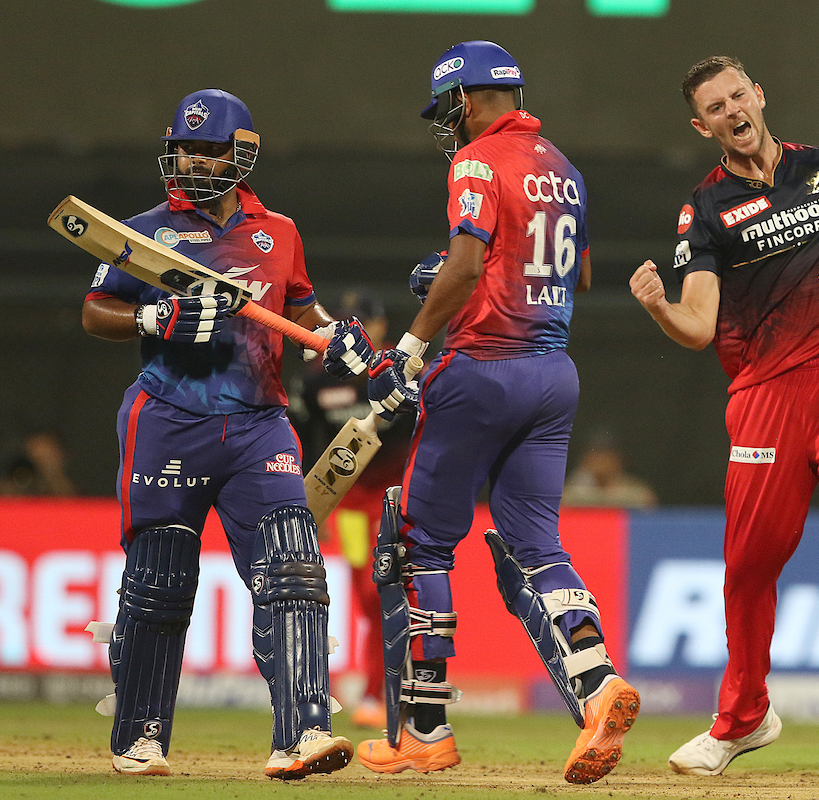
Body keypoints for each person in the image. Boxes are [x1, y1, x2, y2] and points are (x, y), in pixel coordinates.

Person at [356, 41, 639, 785]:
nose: (448, 126)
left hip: (482, 369)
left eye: (449, 110)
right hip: (554, 374)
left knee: (418, 543)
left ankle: (425, 729)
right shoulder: (564, 169)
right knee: (536, 548)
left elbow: (473, 260)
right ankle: (598, 684)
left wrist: (414, 344)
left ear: (469, 100)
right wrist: (455, 270)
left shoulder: (475, 161)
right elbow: (575, 270)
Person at [81, 88, 375, 779]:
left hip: (258, 425)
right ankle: (140, 735)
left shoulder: (280, 232)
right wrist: (152, 321)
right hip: (167, 421)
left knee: (295, 572)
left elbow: (301, 311)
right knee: (160, 584)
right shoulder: (142, 231)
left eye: (209, 148)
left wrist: (333, 336)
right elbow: (97, 311)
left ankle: (302, 732)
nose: (193, 159)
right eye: (185, 147)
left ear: (241, 155)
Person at [630, 56, 819, 782]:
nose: (731, 111)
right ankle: (745, 717)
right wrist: (660, 306)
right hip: (764, 397)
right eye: (714, 108)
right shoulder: (706, 209)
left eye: (736, 95)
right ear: (703, 126)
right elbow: (697, 327)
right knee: (749, 567)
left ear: (759, 94)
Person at [288, 290, 413, 729]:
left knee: (384, 591)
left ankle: (382, 692)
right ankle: (382, 682)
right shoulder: (315, 380)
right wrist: (312, 506)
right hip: (352, 506)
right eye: (347, 320)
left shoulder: (397, 372)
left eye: (363, 321)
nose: (355, 329)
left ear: (379, 328)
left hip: (395, 501)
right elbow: (305, 443)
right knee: (367, 594)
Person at [561, 430, 658, 509]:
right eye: (596, 456)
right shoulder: (570, 491)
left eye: (606, 456)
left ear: (618, 459)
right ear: (585, 459)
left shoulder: (636, 490)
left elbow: (647, 506)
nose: (601, 462)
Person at [0, 430, 77, 496]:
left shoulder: (67, 489)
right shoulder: (11, 481)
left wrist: (52, 474)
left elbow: (72, 503)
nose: (38, 461)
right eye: (35, 457)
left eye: (46, 456)